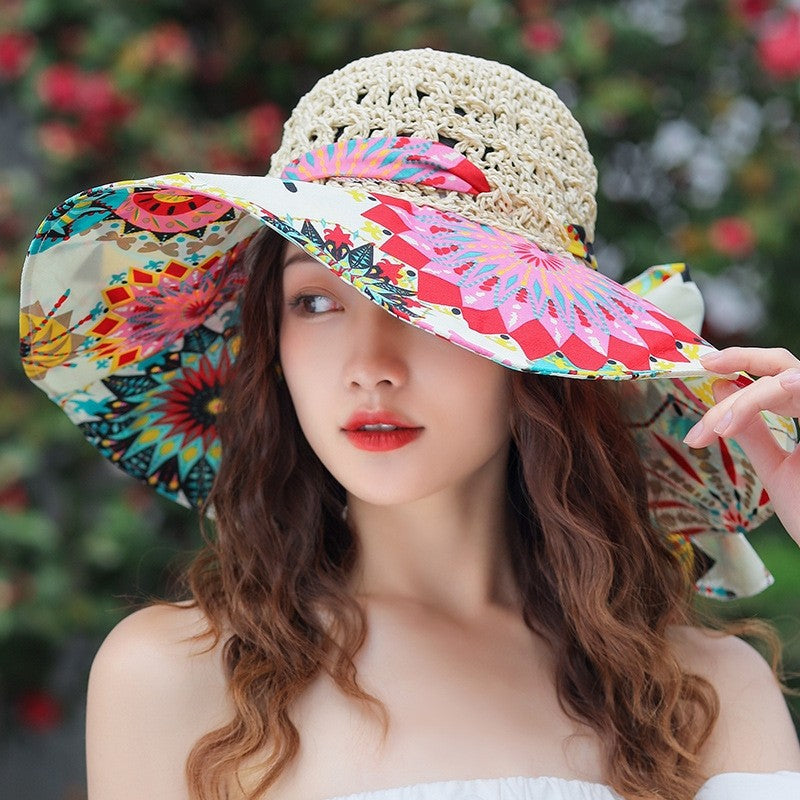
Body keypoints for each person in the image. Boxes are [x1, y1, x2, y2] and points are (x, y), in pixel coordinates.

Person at [18, 49, 800, 800]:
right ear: (274, 345)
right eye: (315, 302)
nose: (369, 366)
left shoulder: (701, 691)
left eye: (424, 307)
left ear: (533, 345)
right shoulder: (175, 677)